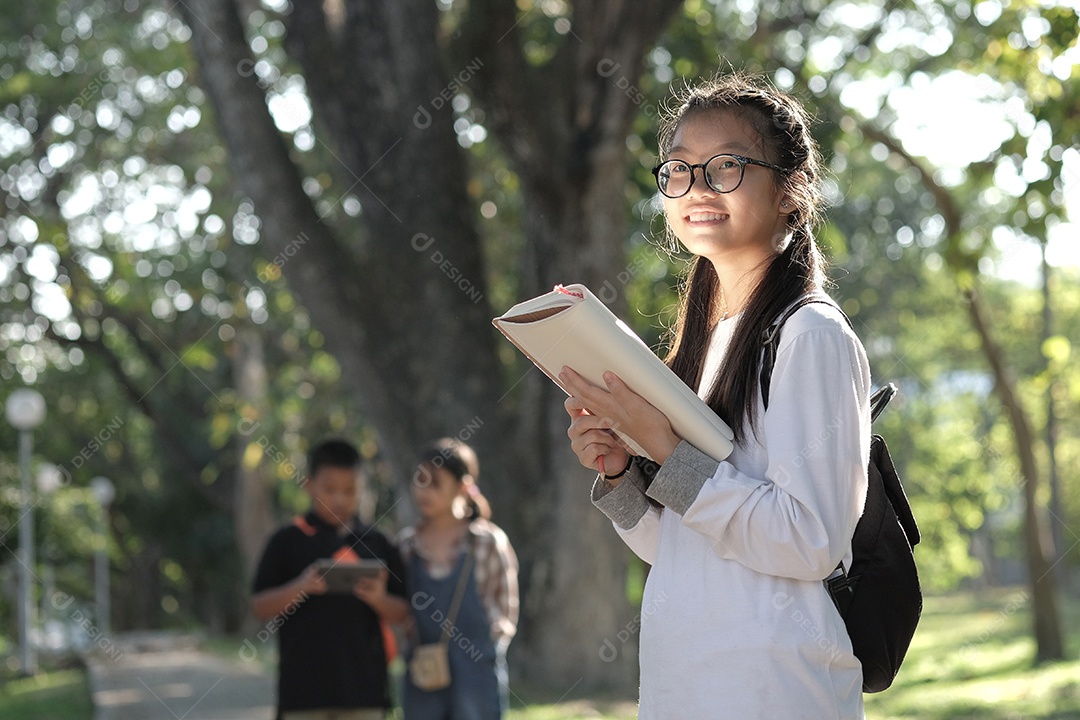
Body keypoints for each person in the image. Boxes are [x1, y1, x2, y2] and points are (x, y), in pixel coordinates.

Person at [560, 72, 871, 718]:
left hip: (774, 692)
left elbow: (809, 541)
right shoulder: (705, 347)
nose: (697, 188)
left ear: (791, 192)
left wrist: (668, 451)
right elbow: (687, 547)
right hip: (686, 688)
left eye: (725, 166)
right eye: (678, 170)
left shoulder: (810, 335)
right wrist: (621, 474)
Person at [252, 439, 410, 720]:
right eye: (329, 489)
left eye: (350, 490)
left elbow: (403, 612)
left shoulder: (378, 542)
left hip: (365, 692)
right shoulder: (286, 541)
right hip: (302, 696)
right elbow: (260, 606)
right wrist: (300, 587)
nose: (339, 499)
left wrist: (378, 598)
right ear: (309, 485)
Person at [398, 438, 519, 720]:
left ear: (463, 487)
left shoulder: (487, 542)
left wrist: (486, 651)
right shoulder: (407, 546)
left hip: (477, 674)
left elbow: (505, 609)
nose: (423, 491)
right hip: (423, 671)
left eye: (435, 483)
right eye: (420, 480)